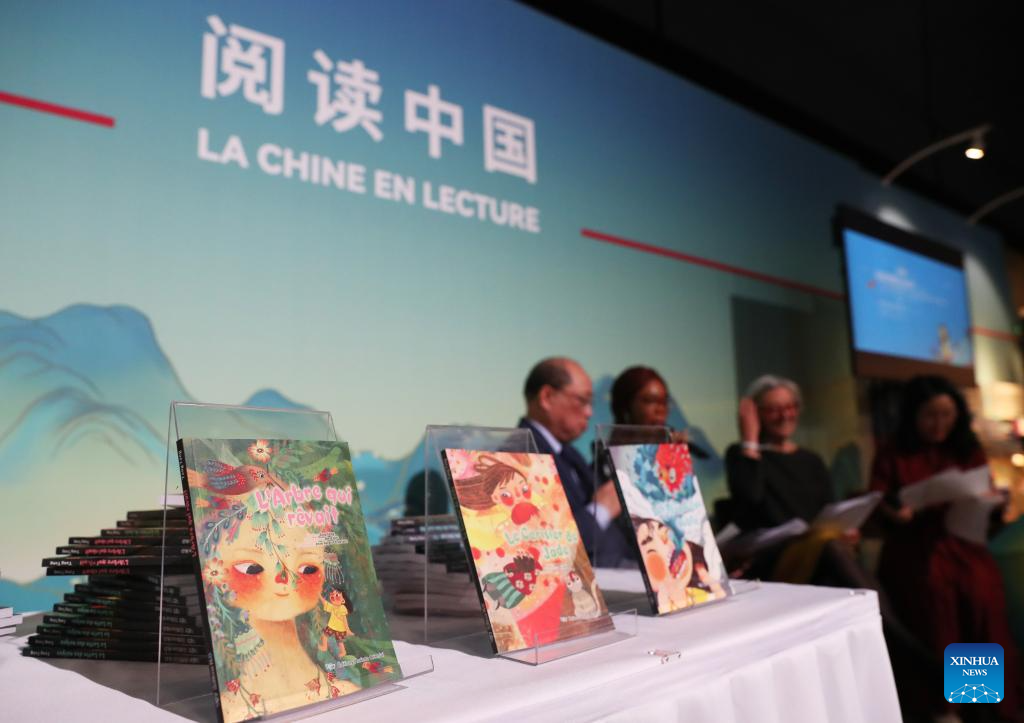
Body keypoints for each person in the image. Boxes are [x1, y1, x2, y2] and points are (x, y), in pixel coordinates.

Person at [870, 375, 1019, 718]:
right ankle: (942, 707)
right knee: (938, 618)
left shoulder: (966, 448)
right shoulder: (894, 450)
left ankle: (977, 701)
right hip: (917, 551)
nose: (939, 424)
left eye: (947, 415)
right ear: (913, 415)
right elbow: (878, 499)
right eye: (930, 415)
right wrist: (895, 511)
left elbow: (984, 490)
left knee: (978, 609)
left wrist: (994, 502)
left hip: (965, 546)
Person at [519, 357, 631, 567]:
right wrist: (602, 509)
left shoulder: (569, 453)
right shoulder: (520, 455)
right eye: (582, 400)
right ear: (547, 397)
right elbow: (544, 545)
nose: (589, 412)